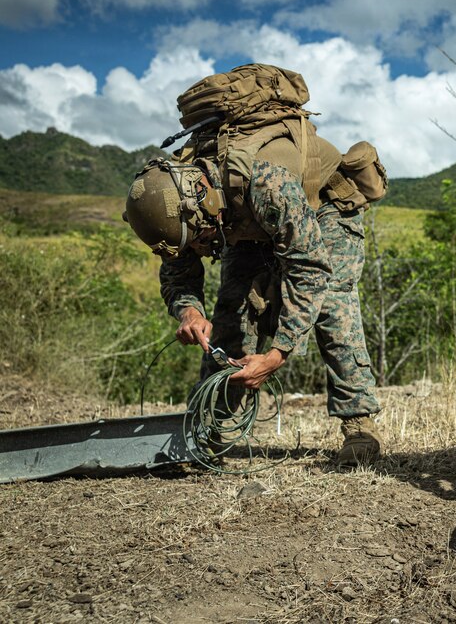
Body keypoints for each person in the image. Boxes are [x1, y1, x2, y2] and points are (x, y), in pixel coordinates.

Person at [123, 65, 383, 469]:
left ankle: (359, 425)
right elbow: (178, 268)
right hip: (247, 222)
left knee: (331, 302)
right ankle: (208, 433)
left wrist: (276, 355)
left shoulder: (266, 182)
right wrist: (188, 310)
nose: (200, 248)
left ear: (205, 206)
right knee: (233, 310)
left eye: (201, 239)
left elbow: (310, 270)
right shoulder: (173, 199)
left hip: (325, 208)